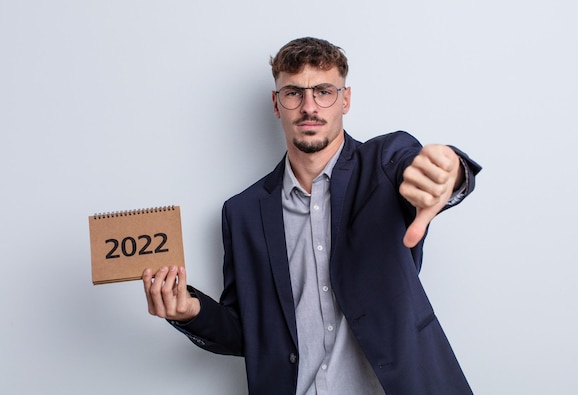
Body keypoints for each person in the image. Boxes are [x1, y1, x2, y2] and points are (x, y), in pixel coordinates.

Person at [143, 37, 481, 395]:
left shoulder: (385, 163)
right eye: (293, 93)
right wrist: (191, 311)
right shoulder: (242, 212)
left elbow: (425, 169)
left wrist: (450, 175)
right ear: (276, 104)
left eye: (324, 91)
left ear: (345, 100)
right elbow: (251, 334)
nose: (309, 107)